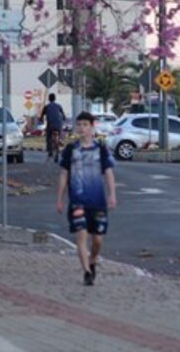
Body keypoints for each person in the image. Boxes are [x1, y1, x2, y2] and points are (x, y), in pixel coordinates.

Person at [55, 111, 116, 286]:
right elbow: (63, 174)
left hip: (97, 202)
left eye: (85, 125)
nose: (81, 128)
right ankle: (87, 272)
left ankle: (93, 260)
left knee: (97, 239)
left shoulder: (100, 150)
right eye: (79, 124)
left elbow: (109, 173)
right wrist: (59, 198)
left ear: (92, 127)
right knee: (81, 235)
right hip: (77, 201)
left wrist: (112, 194)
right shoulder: (70, 150)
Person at [40, 93, 66, 162]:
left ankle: (50, 151)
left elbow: (41, 116)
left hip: (50, 125)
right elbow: (63, 115)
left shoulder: (46, 106)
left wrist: (41, 119)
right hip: (58, 124)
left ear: (49, 99)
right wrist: (63, 118)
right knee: (60, 131)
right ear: (55, 99)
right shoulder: (59, 106)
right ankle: (60, 139)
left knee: (48, 137)